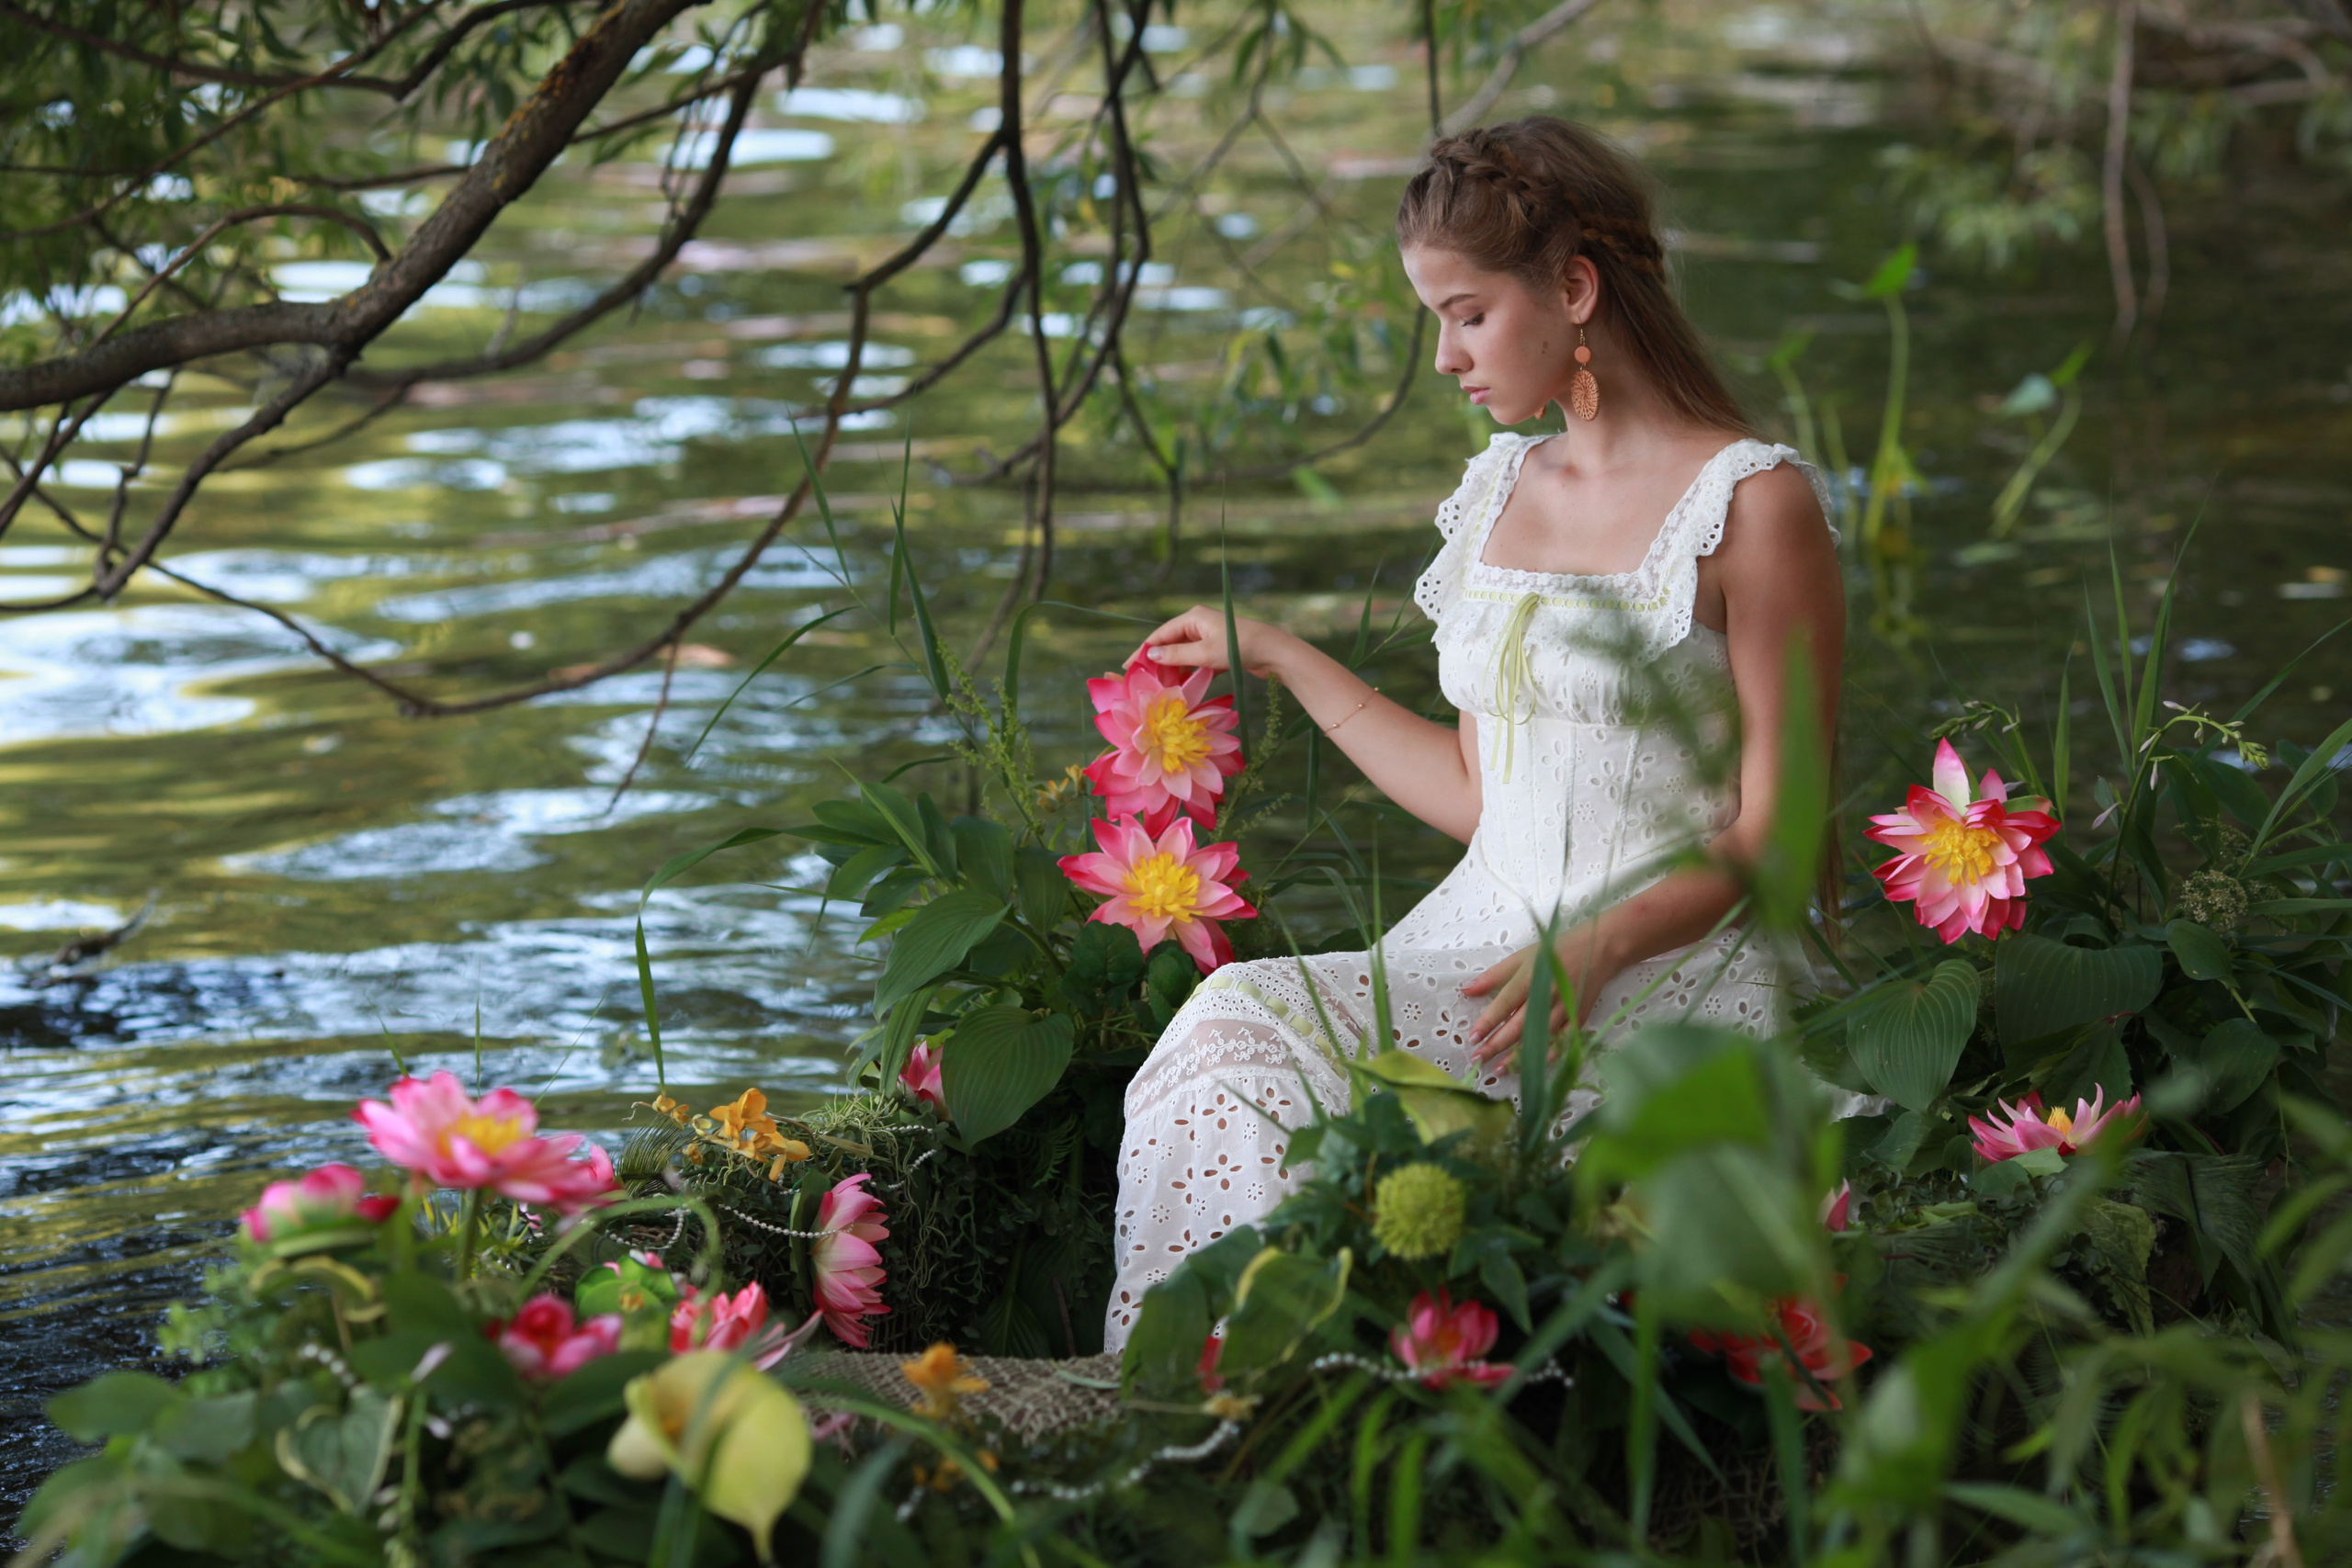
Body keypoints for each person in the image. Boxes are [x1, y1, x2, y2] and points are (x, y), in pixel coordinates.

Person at [1101, 118, 1851, 1350]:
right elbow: (1477, 790)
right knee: (1236, 1026)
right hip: (1483, 948)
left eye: (1465, 313)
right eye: (1432, 319)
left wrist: (1600, 946)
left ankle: (1316, 1393)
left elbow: (1776, 833)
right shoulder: (1499, 490)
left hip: (1662, 968)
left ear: (1573, 288)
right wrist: (1281, 654)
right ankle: (1212, 1388)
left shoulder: (1751, 505)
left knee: (1380, 1115)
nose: (1444, 357)